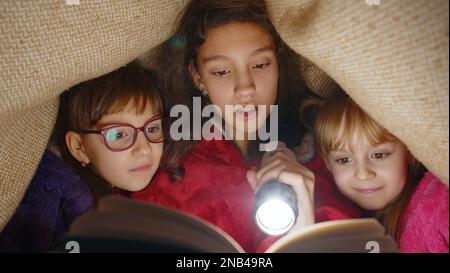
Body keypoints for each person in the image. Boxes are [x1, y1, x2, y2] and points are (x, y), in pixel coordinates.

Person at [133, 0, 361, 252]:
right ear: (198, 77)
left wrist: (304, 223)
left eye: (260, 65)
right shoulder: (174, 176)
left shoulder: (322, 153)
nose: (245, 87)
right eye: (221, 71)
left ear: (278, 66)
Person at [0, 62, 167, 252]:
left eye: (152, 128)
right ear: (79, 147)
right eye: (119, 135)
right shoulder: (53, 197)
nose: (144, 149)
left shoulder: (165, 179)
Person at [315, 92, 449, 253]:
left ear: (411, 151)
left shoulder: (437, 212)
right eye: (344, 160)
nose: (363, 174)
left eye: (379, 155)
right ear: (328, 163)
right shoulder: (329, 202)